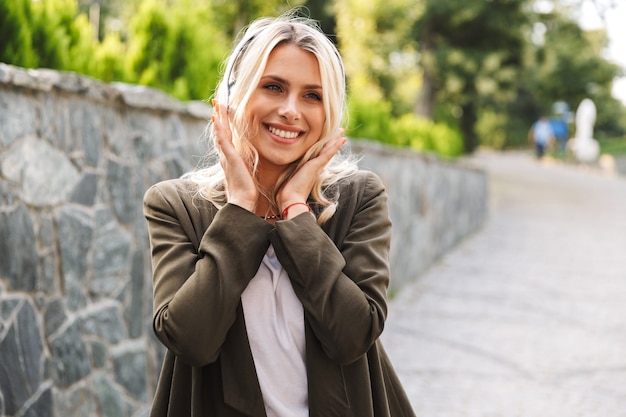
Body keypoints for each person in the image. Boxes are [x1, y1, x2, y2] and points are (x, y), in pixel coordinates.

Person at [143, 11, 416, 417]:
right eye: (273, 87)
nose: (291, 110)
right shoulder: (175, 206)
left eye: (312, 95)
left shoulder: (359, 197)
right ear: (235, 97)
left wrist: (295, 210)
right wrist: (239, 211)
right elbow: (192, 340)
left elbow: (352, 336)